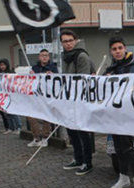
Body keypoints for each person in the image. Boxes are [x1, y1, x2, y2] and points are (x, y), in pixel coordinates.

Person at [104, 36, 134, 188]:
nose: (117, 51)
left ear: (125, 48)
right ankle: (123, 177)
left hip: (129, 112)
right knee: (118, 147)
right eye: (114, 49)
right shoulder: (113, 66)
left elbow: (131, 83)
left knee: (127, 147)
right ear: (111, 51)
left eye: (120, 48)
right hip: (115, 112)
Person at [60, 29, 94, 176]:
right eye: (65, 41)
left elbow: (83, 80)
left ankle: (87, 162)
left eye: (70, 40)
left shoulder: (81, 56)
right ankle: (78, 158)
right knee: (72, 131)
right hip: (70, 100)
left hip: (80, 100)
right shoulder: (66, 57)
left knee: (83, 132)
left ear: (75, 40)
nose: (68, 44)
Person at [27, 49, 58, 147]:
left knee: (46, 117)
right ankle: (36, 138)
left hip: (48, 96)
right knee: (31, 116)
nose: (45, 57)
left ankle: (45, 137)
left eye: (46, 55)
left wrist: (53, 76)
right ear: (39, 57)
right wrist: (31, 76)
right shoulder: (35, 68)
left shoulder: (53, 67)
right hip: (36, 96)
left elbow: (59, 80)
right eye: (43, 55)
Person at [0, 58, 22, 135]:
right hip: (4, 96)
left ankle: (18, 127)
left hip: (12, 95)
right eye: (1, 65)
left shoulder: (11, 73)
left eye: (4, 65)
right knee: (7, 113)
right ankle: (11, 127)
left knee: (14, 112)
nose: (2, 67)